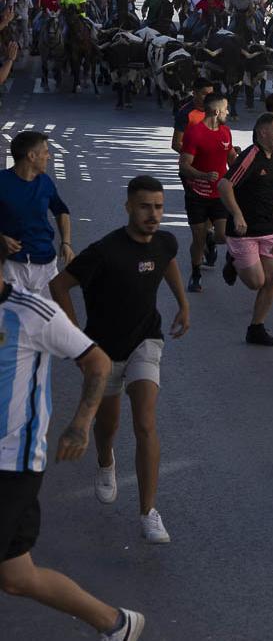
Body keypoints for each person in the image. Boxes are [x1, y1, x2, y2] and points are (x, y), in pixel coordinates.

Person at [0, 237, 146, 640]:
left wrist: (81, 424)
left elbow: (97, 362)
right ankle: (116, 625)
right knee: (16, 575)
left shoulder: (33, 314)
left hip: (11, 464)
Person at [49, 174, 188, 545]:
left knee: (145, 422)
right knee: (107, 425)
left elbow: (168, 261)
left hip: (146, 340)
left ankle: (148, 512)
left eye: (158, 207)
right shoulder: (105, 251)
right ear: (128, 206)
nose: (153, 214)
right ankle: (106, 460)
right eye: (145, 206)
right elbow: (58, 286)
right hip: (105, 350)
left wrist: (183, 304)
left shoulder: (164, 242)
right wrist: (79, 342)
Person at [217, 113, 273, 346]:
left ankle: (256, 328)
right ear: (263, 133)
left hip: (268, 227)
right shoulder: (250, 157)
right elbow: (224, 184)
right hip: (243, 230)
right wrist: (237, 214)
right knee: (256, 282)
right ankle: (232, 258)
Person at [0, 131, 73, 294]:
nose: (49, 157)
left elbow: (61, 210)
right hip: (10, 266)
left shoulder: (45, 182)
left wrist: (66, 242)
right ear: (31, 156)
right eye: (46, 152)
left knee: (50, 317)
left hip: (45, 263)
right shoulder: (2, 181)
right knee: (11, 318)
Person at [178, 92, 235, 293]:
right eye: (226, 109)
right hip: (197, 195)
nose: (228, 112)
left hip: (219, 194)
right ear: (216, 111)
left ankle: (212, 240)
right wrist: (202, 176)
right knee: (198, 239)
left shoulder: (226, 132)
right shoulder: (195, 133)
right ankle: (196, 274)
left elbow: (231, 160)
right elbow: (184, 165)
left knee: (223, 235)